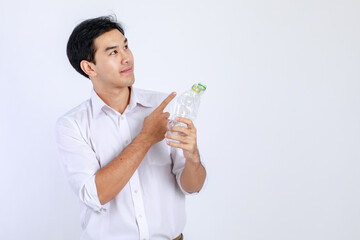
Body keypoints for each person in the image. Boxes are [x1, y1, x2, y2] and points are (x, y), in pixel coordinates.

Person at [55, 16, 207, 240]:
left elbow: (193, 187)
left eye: (126, 46)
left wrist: (192, 156)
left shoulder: (164, 107)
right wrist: (146, 138)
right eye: (113, 52)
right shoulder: (72, 125)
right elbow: (95, 195)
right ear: (89, 67)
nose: (127, 58)